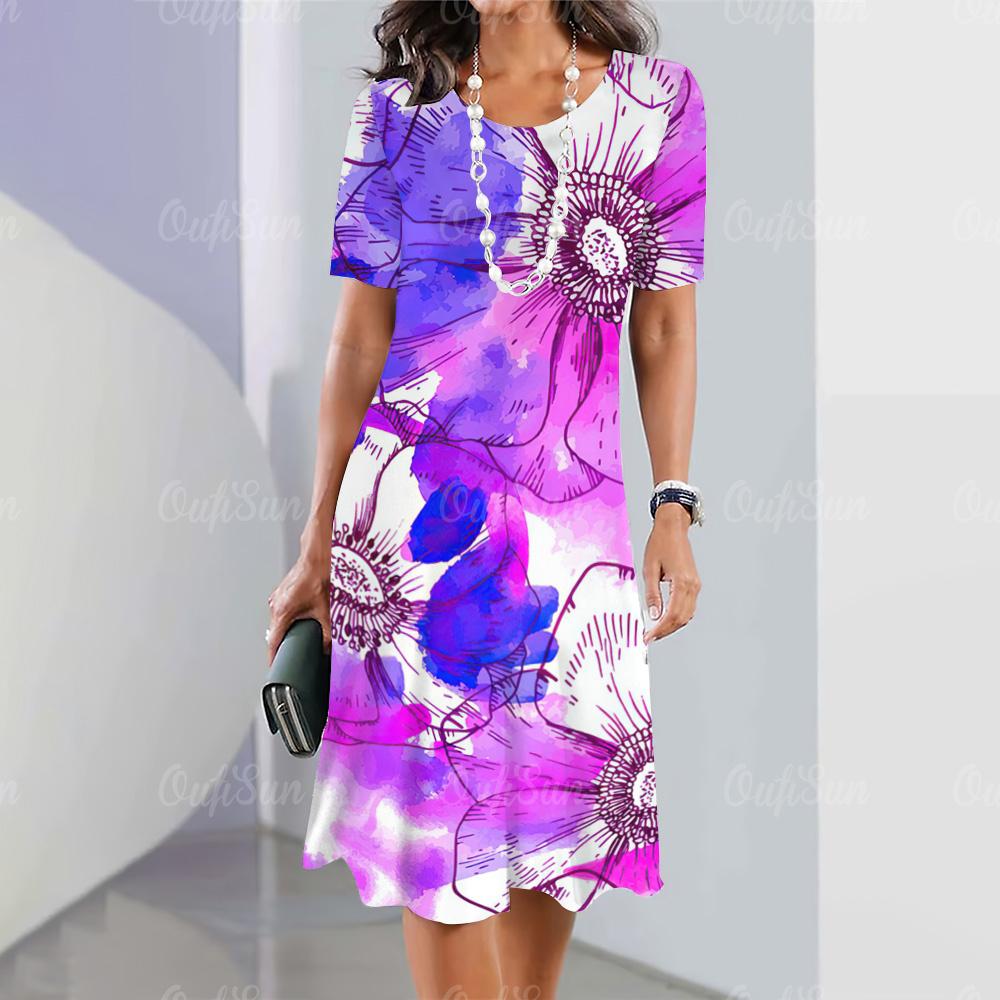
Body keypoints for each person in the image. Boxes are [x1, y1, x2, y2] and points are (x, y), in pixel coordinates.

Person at [267, 1, 706, 996]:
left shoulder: (657, 105)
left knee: (540, 934)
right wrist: (315, 544)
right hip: (410, 549)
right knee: (446, 906)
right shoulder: (398, 113)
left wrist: (673, 505)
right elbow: (358, 340)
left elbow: (666, 328)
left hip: (577, 562)